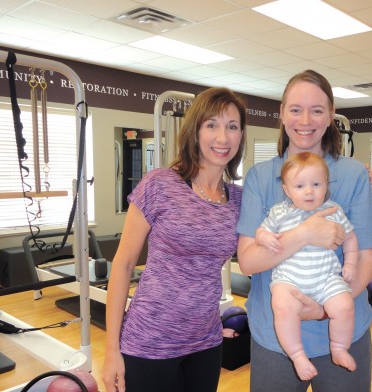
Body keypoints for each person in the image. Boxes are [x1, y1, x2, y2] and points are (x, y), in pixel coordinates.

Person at [237, 70, 372, 392]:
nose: (305, 120)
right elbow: (247, 262)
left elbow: (367, 256)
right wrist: (304, 234)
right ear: (282, 114)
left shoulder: (353, 174)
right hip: (275, 337)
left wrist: (323, 310)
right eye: (295, 109)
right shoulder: (260, 177)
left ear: (331, 115)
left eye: (317, 110)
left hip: (344, 328)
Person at [102, 87, 247, 392]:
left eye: (232, 127)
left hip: (206, 342)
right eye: (212, 125)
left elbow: (293, 200)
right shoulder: (160, 184)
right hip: (148, 341)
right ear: (195, 131)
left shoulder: (239, 199)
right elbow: (123, 264)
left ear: (241, 136)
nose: (222, 138)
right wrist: (111, 351)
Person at [256, 152, 358, 381]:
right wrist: (264, 238)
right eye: (300, 185)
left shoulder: (333, 210)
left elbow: (351, 238)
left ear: (326, 185)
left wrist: (350, 262)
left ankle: (339, 347)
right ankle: (297, 354)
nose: (309, 191)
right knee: (282, 307)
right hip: (289, 279)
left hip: (326, 277)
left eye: (316, 184)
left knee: (344, 305)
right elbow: (261, 231)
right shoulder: (280, 212)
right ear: (287, 190)